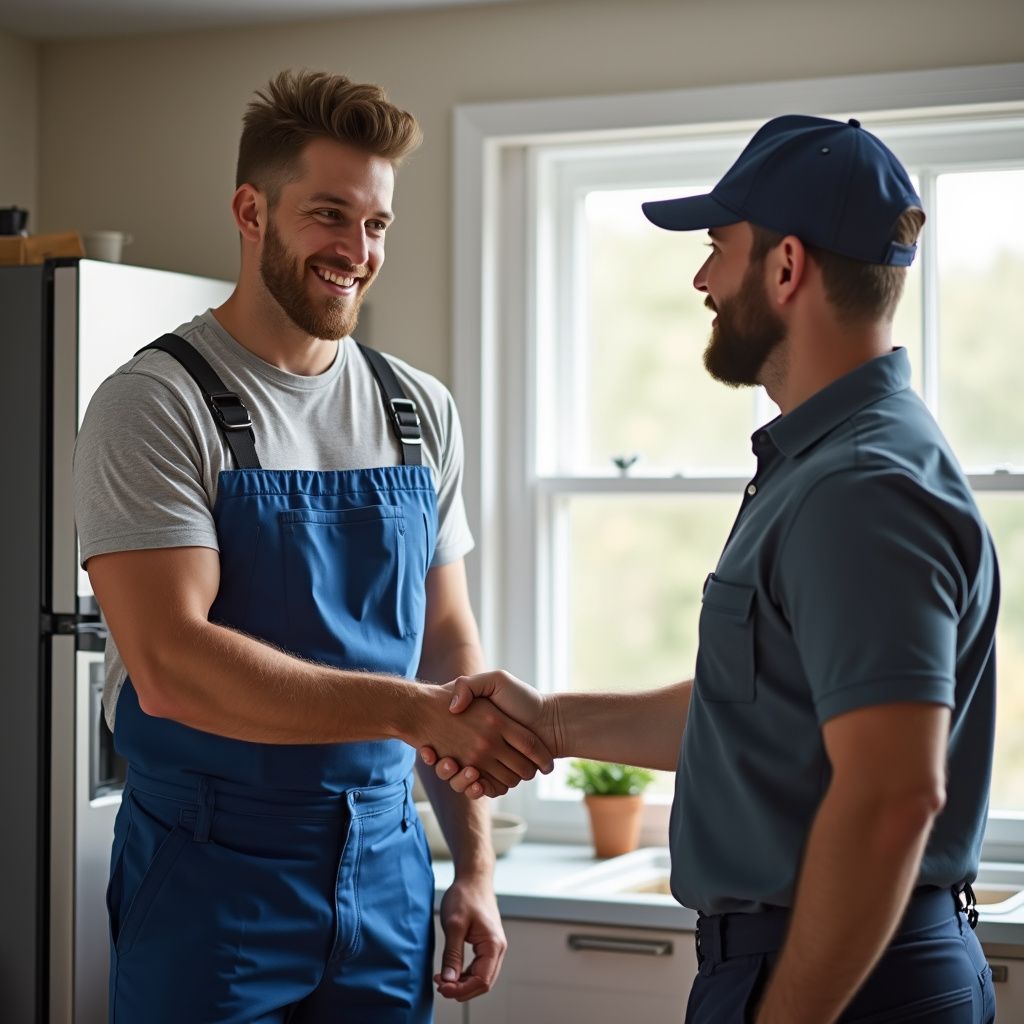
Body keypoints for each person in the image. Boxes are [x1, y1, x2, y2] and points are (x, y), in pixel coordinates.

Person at [422, 115, 1000, 1023]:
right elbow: (760, 707)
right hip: (822, 962)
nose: (700, 280)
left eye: (717, 249)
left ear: (786, 267)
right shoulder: (824, 464)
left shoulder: (861, 486)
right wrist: (554, 722)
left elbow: (894, 795)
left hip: (846, 978)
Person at [73, 69, 552, 1024]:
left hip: (386, 862)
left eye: (376, 225)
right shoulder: (156, 404)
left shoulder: (418, 410)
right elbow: (172, 667)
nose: (357, 251)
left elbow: (448, 647)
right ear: (252, 211)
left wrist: (475, 867)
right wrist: (413, 714)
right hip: (211, 867)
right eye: (330, 216)